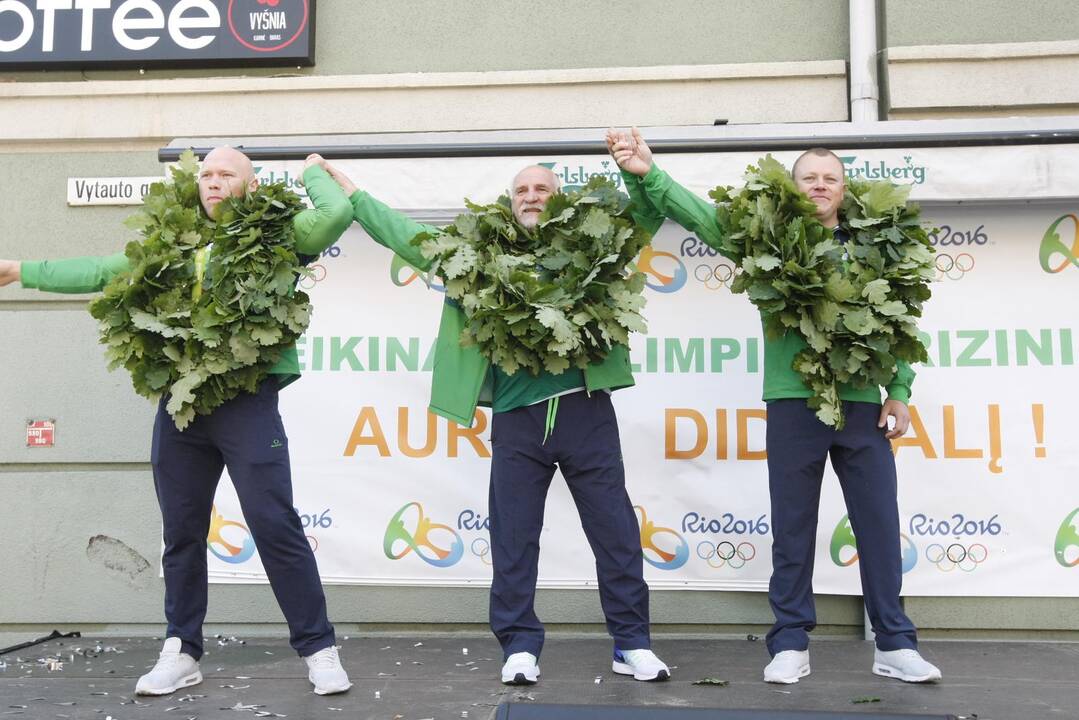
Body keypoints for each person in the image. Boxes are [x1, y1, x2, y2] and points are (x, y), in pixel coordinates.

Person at [0, 148, 354, 696]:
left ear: (251, 187)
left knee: (273, 523)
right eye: (206, 174)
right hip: (179, 406)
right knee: (181, 534)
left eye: (226, 175)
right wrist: (23, 271)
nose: (213, 182)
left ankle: (318, 647)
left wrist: (313, 170)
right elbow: (100, 270)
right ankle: (181, 650)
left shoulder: (278, 234)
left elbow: (333, 215)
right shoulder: (171, 243)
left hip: (247, 402)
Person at [607, 129, 942, 685]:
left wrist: (900, 393)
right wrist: (649, 172)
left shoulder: (874, 245)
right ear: (793, 186)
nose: (819, 185)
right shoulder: (769, 239)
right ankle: (790, 642)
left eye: (829, 177)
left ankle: (895, 644)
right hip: (793, 404)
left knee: (880, 526)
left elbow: (899, 323)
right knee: (793, 527)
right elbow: (703, 219)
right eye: (809, 177)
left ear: (843, 188)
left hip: (862, 407)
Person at [321, 162, 670, 685]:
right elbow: (411, 239)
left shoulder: (591, 246)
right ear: (511, 203)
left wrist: (641, 175)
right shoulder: (482, 258)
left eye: (542, 189)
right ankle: (519, 645)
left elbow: (643, 217)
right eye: (522, 191)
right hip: (516, 419)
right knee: (512, 537)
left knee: (616, 533)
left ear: (559, 200)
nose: (531, 197)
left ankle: (632, 644)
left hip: (585, 412)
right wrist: (356, 197)